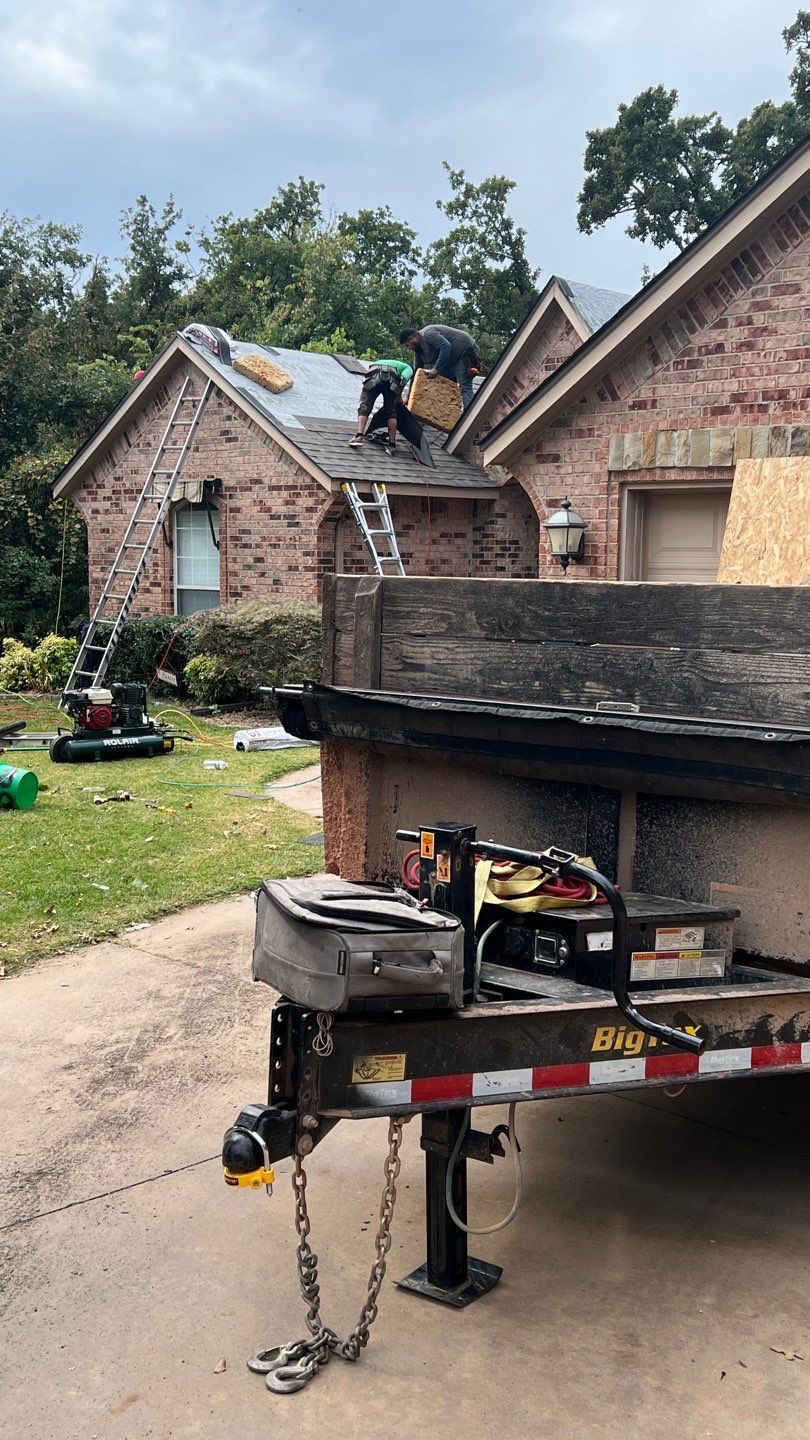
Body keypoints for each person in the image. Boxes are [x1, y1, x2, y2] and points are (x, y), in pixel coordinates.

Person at [399, 325, 481, 411]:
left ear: (411, 339)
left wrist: (436, 369)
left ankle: (471, 416)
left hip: (463, 352)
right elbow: (416, 373)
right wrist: (409, 396)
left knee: (464, 387)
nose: (409, 349)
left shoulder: (428, 334)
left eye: (407, 346)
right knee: (443, 388)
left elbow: (446, 346)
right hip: (449, 363)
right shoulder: (418, 351)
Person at [348, 358, 414, 456]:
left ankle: (359, 436)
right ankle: (392, 445)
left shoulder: (384, 361)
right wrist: (398, 397)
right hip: (392, 376)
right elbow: (403, 378)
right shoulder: (408, 368)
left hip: (373, 373)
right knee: (391, 410)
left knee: (365, 405)